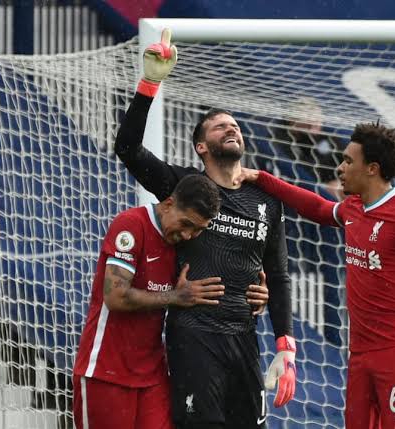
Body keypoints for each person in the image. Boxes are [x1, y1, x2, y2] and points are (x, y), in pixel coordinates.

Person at [114, 29, 295, 428]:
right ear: (201, 147)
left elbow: (278, 274)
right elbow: (128, 148)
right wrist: (149, 85)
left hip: (245, 337)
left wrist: (285, 343)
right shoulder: (184, 187)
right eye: (219, 127)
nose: (231, 129)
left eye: (234, 125)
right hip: (194, 336)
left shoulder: (267, 200)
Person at [236, 122, 395, 429]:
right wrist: (262, 178)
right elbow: (317, 207)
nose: (340, 168)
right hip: (359, 352)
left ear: (372, 169)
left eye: (347, 161)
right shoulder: (353, 208)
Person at [73, 174, 269, 428]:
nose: (189, 235)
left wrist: (255, 291)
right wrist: (175, 297)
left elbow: (218, 272)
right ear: (168, 204)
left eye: (198, 229)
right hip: (106, 372)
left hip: (152, 375)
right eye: (187, 224)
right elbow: (115, 296)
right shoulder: (131, 225)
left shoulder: (181, 243)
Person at [253, 96, 344, 199]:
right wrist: (325, 188)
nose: (315, 127)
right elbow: (295, 176)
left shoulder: (327, 136)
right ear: (292, 121)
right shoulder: (278, 142)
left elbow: (345, 160)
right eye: (309, 123)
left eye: (318, 121)